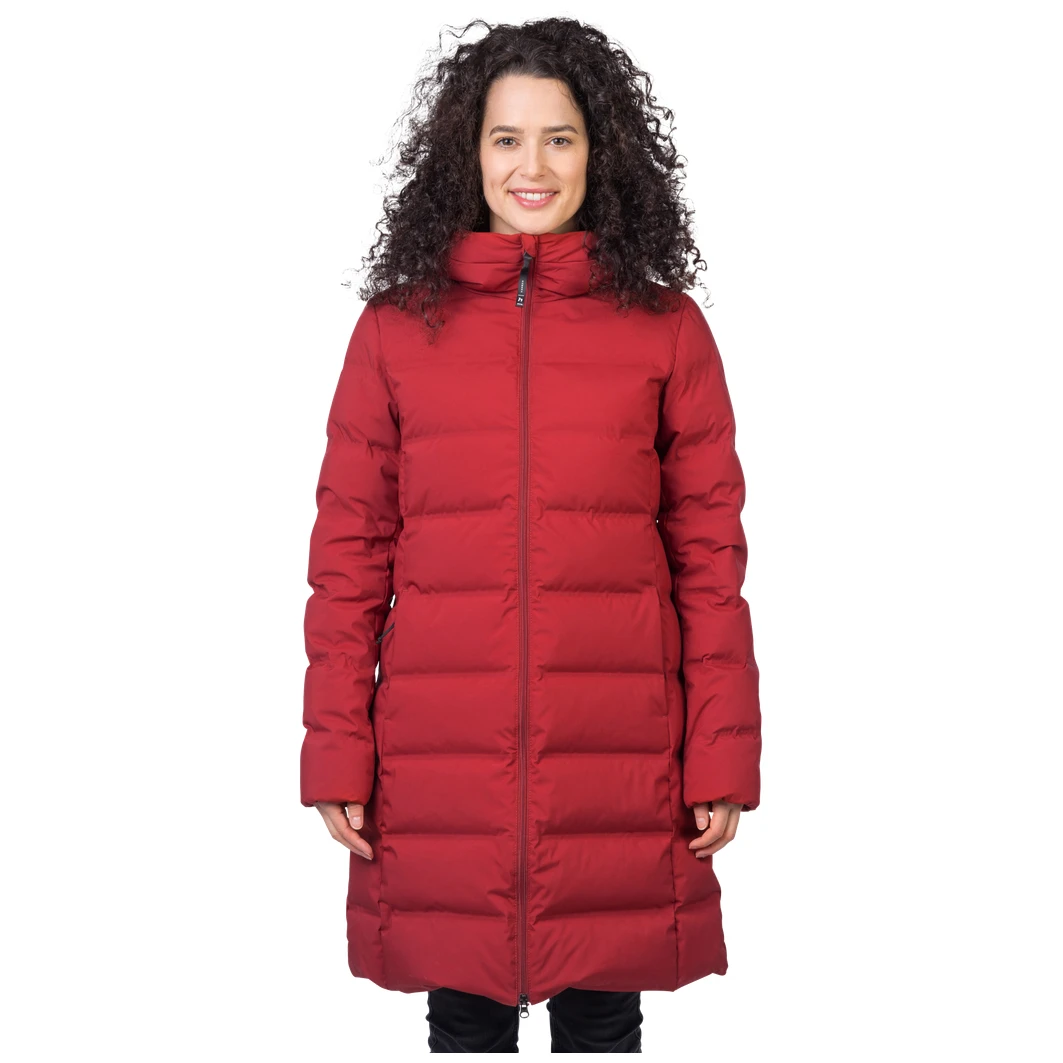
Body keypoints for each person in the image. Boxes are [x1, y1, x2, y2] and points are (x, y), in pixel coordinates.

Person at [299, 17, 762, 1054]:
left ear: (602, 152)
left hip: (621, 746)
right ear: (467, 155)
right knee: (462, 1011)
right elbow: (347, 558)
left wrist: (722, 751)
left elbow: (709, 561)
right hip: (438, 751)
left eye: (559, 138)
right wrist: (335, 748)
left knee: (603, 1010)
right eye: (505, 138)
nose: (533, 166)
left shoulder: (666, 327)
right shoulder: (395, 329)